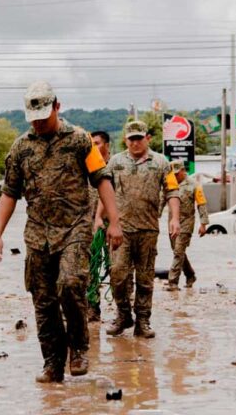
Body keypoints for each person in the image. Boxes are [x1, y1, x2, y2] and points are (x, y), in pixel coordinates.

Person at [0, 81, 123, 383]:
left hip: (75, 227)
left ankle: (78, 347)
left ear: (57, 107)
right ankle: (52, 362)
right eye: (33, 118)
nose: (38, 122)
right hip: (37, 233)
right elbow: (9, 193)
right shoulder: (21, 147)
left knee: (70, 283)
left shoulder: (80, 141)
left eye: (44, 116)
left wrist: (114, 222)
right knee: (43, 299)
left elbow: (102, 179)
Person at [96, 120, 181, 338]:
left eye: (139, 138)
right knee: (118, 274)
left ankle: (143, 321)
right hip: (120, 230)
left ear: (147, 139)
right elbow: (106, 191)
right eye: (131, 139)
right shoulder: (115, 162)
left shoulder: (161, 162)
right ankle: (123, 314)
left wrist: (175, 219)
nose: (135, 143)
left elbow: (172, 191)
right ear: (125, 139)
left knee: (145, 278)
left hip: (148, 230)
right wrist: (98, 217)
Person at [164, 160, 208, 291]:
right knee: (178, 251)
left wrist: (203, 224)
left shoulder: (194, 185)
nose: (175, 177)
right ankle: (190, 275)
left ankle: (172, 282)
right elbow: (161, 200)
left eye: (177, 174)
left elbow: (201, 204)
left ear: (183, 171)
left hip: (186, 223)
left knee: (178, 251)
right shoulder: (170, 184)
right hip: (172, 222)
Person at [87, 130, 111, 323]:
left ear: (107, 145)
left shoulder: (116, 166)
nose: (94, 147)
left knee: (118, 270)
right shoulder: (85, 167)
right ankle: (93, 309)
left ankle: (123, 311)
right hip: (90, 228)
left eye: (97, 143)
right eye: (91, 144)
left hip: (114, 226)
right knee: (90, 269)